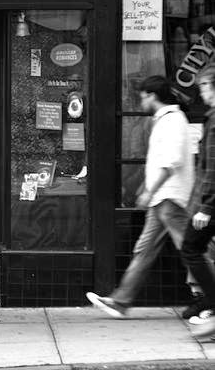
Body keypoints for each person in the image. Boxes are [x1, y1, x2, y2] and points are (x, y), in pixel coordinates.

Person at [86, 75, 194, 318]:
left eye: (143, 97)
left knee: (193, 251)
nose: (141, 102)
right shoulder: (165, 120)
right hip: (162, 200)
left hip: (170, 199)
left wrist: (149, 191)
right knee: (145, 250)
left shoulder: (173, 121)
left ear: (153, 96)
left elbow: (171, 163)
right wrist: (148, 189)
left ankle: (207, 295)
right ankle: (120, 301)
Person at [178, 67, 215, 338]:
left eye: (203, 86)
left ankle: (211, 301)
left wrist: (206, 207)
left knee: (191, 247)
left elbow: (213, 167)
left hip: (210, 202)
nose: (201, 92)